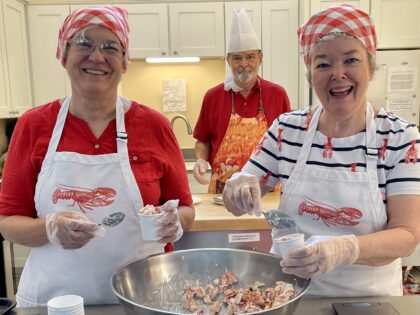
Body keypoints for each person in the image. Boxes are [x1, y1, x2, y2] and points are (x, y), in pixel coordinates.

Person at [0, 5, 194, 307]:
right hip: (54, 303)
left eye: (110, 47)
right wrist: (48, 228)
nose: (97, 56)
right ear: (63, 55)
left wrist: (175, 223)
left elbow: (185, 210)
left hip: (143, 300)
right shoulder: (33, 125)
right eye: (84, 43)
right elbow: (7, 221)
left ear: (124, 61)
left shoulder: (154, 125)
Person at [222, 4, 420, 297]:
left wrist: (345, 248)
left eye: (350, 60)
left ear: (371, 68)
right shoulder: (286, 130)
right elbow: (238, 199)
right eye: (323, 64)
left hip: (368, 300)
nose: (337, 74)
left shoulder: (400, 137)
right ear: (311, 74)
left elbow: (407, 235)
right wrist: (236, 189)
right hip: (288, 296)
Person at [193, 8, 291, 194]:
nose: (244, 64)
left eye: (250, 57)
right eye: (237, 58)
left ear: (260, 58)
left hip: (266, 192)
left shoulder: (277, 94)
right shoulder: (212, 97)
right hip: (222, 194)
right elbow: (203, 141)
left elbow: (287, 143)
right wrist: (200, 159)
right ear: (228, 60)